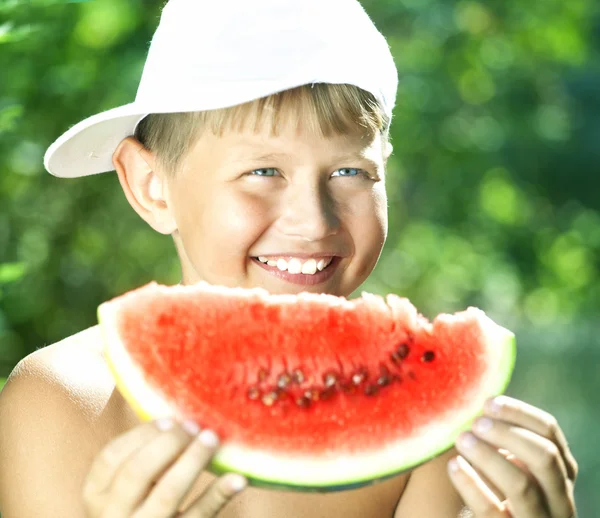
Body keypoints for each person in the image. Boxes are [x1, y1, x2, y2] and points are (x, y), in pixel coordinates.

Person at [0, 0, 578, 517]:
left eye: (351, 171)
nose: (314, 220)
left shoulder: (439, 437)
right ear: (152, 186)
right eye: (262, 171)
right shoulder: (60, 405)